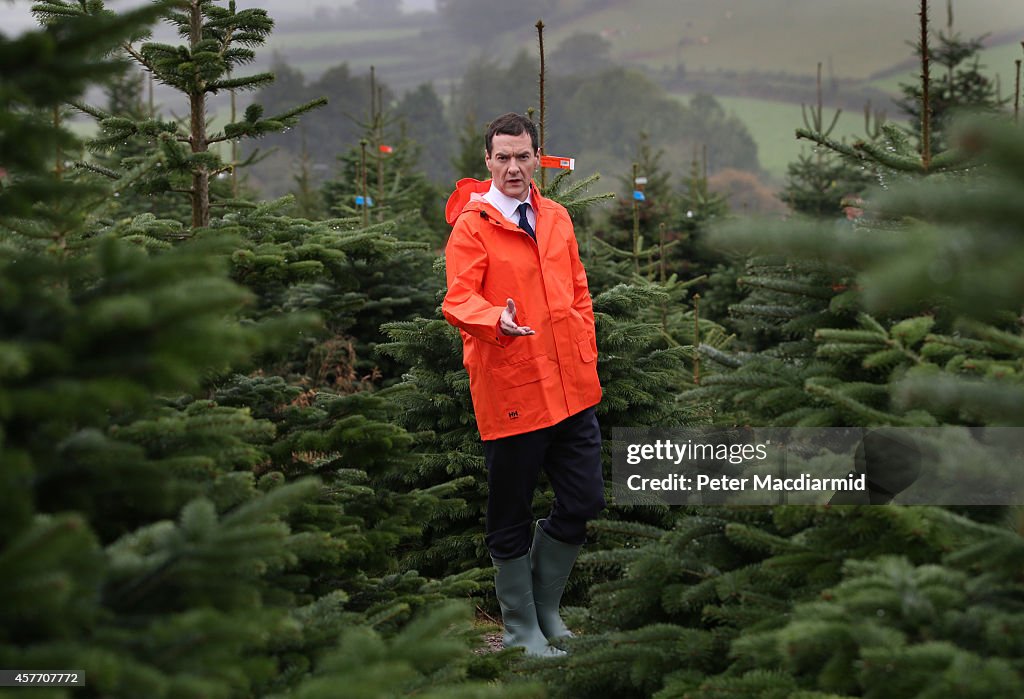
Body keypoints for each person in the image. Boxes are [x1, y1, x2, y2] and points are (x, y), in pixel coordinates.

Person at [441, 112, 605, 657]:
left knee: (583, 500)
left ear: (537, 158)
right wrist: (496, 321)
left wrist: (585, 339)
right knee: (508, 514)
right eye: (503, 157)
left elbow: (578, 290)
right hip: (513, 389)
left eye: (523, 156)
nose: (514, 166)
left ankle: (545, 611)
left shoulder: (556, 217)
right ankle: (520, 631)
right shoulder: (472, 225)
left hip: (573, 388)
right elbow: (457, 299)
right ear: (487, 161)